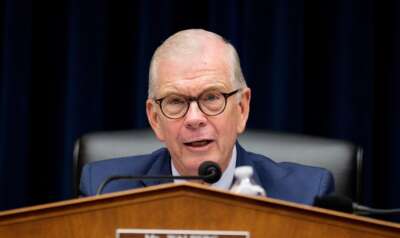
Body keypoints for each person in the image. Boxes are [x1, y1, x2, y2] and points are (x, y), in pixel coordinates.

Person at [80, 29, 334, 204]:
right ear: (155, 119)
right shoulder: (105, 190)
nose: (194, 118)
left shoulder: (306, 195)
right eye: (176, 101)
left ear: (242, 109)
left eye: (212, 98)